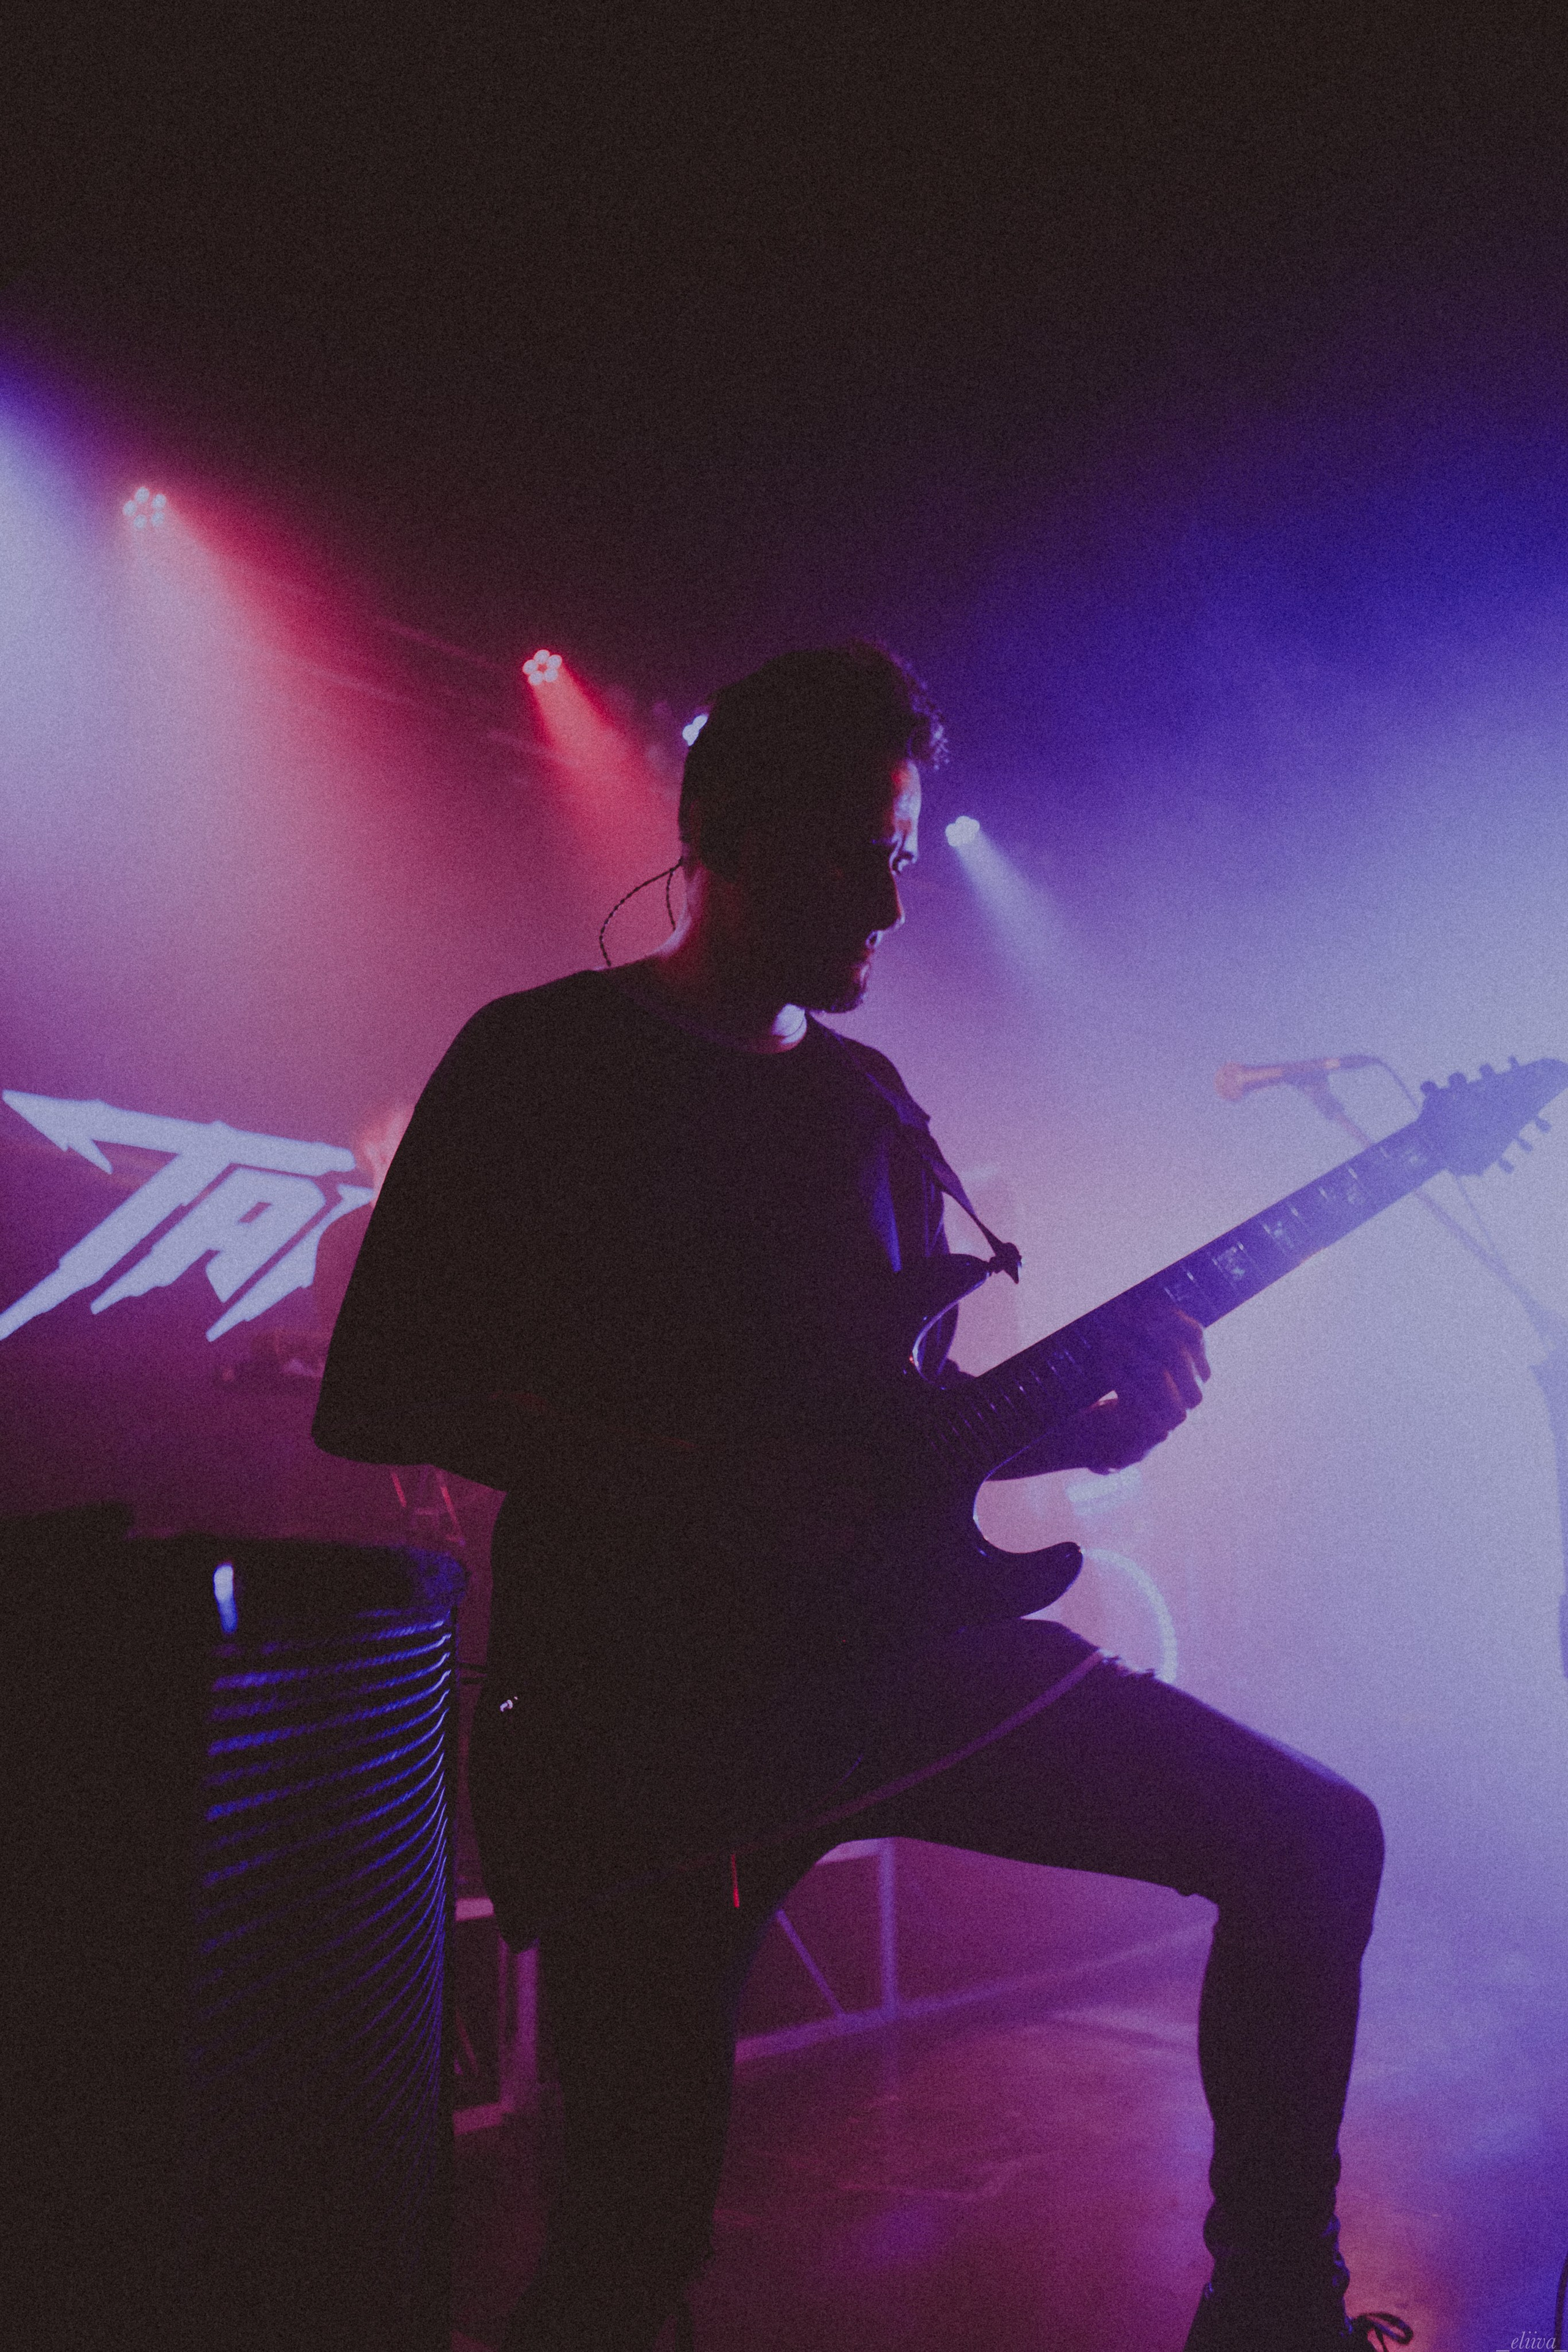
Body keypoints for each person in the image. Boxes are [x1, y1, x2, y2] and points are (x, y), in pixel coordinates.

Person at [314, 644, 1408, 2352]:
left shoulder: (867, 1103)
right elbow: (375, 1389)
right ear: (718, 832)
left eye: (901, 855)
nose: (888, 906)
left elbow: (900, 1446)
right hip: (650, 1717)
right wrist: (702, 1479)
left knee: (1314, 1838)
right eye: (848, 854)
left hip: (897, 1669)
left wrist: (1088, 1436)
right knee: (624, 2253)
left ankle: (1277, 2311)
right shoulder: (541, 1062)